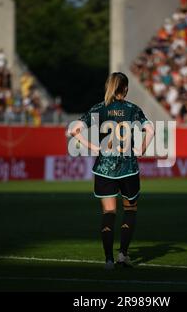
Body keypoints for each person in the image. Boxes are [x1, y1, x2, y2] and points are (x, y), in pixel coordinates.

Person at [69, 72, 155, 270]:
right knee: (130, 209)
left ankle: (108, 260)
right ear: (125, 88)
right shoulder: (133, 109)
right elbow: (150, 130)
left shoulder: (99, 108)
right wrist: (141, 149)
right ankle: (123, 255)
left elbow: (74, 130)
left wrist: (93, 147)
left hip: (104, 168)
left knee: (109, 212)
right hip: (128, 168)